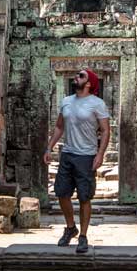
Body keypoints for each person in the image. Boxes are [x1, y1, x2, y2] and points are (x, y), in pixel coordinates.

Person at [44, 68, 111, 253]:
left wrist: (100, 154)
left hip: (87, 156)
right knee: (62, 193)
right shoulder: (66, 102)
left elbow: (105, 130)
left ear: (89, 84)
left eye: (81, 76)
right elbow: (59, 126)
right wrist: (49, 147)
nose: (76, 77)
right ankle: (70, 227)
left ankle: (83, 235)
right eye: (77, 75)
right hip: (67, 153)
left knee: (84, 197)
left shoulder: (97, 104)